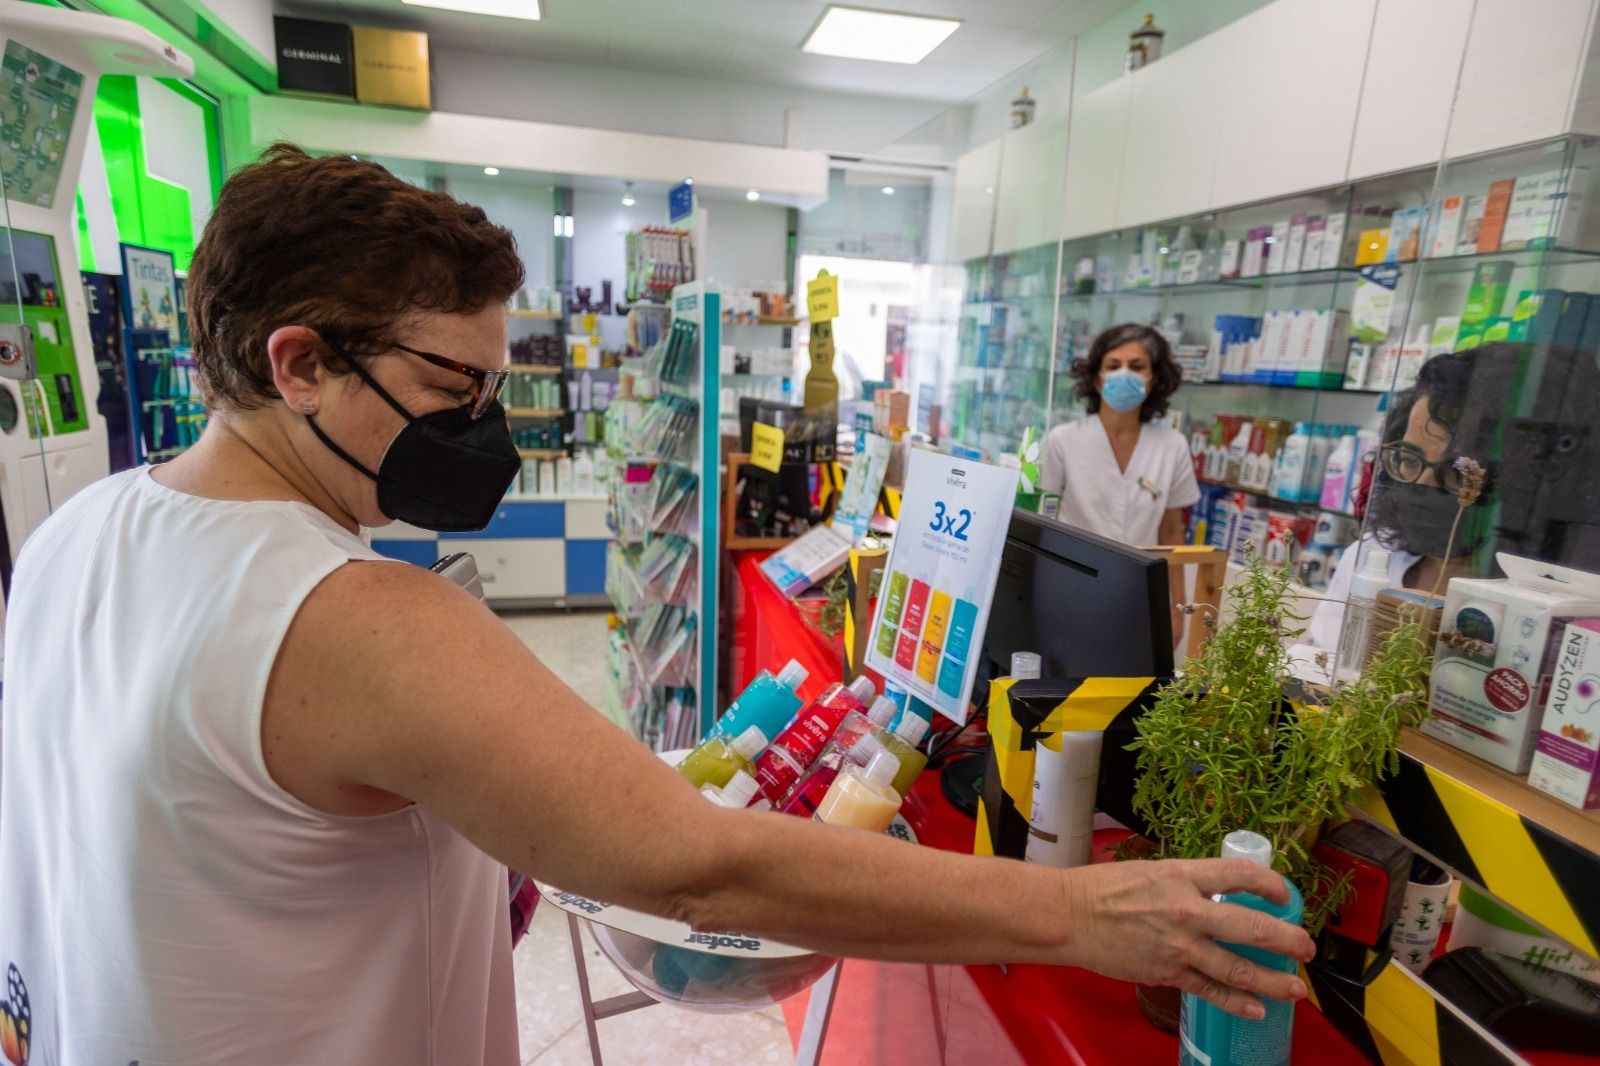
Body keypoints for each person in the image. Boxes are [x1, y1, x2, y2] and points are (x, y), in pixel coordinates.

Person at [0, 146, 1312, 1063]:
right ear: (299, 364)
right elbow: (699, 864)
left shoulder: (75, 534)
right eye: (453, 387)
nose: (484, 425)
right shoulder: (349, 614)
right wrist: (1082, 916)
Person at [1307, 342, 1600, 650]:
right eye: (1409, 459)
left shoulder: (1562, 612)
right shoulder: (1372, 558)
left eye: (1457, 473)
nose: (1421, 484)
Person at [1041, 323, 1199, 636]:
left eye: (1137, 366)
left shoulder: (1172, 446)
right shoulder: (1063, 440)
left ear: (1154, 379)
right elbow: (1042, 522)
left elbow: (1171, 531)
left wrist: (1177, 607)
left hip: (1139, 595)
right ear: (1097, 378)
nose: (1124, 374)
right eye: (1113, 366)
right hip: (1069, 589)